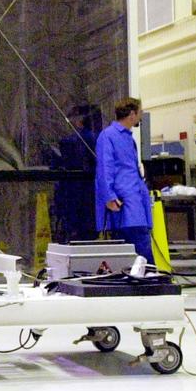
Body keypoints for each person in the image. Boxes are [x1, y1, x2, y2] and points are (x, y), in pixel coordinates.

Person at [95, 97, 154, 266]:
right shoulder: (108, 136)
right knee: (139, 245)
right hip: (124, 202)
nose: (141, 115)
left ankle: (145, 278)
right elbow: (105, 168)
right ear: (131, 114)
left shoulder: (128, 138)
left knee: (137, 243)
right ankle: (151, 278)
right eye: (140, 112)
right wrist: (109, 197)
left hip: (134, 198)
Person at [51, 104, 98, 243]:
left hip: (73, 194)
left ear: (79, 121)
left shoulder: (72, 141)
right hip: (86, 196)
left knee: (74, 235)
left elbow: (58, 164)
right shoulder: (94, 139)